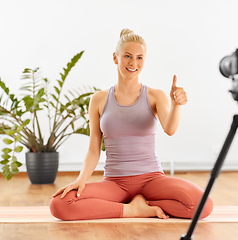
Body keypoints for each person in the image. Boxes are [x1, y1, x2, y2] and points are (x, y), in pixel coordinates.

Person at [49, 29, 213, 220]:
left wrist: (176, 105)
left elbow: (170, 129)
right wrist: (81, 180)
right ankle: (131, 209)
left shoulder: (155, 96)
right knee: (60, 204)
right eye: (127, 56)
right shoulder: (99, 99)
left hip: (152, 179)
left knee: (204, 205)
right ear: (115, 58)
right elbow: (94, 149)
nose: (133, 63)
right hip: (114, 184)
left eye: (139, 57)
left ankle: (143, 204)